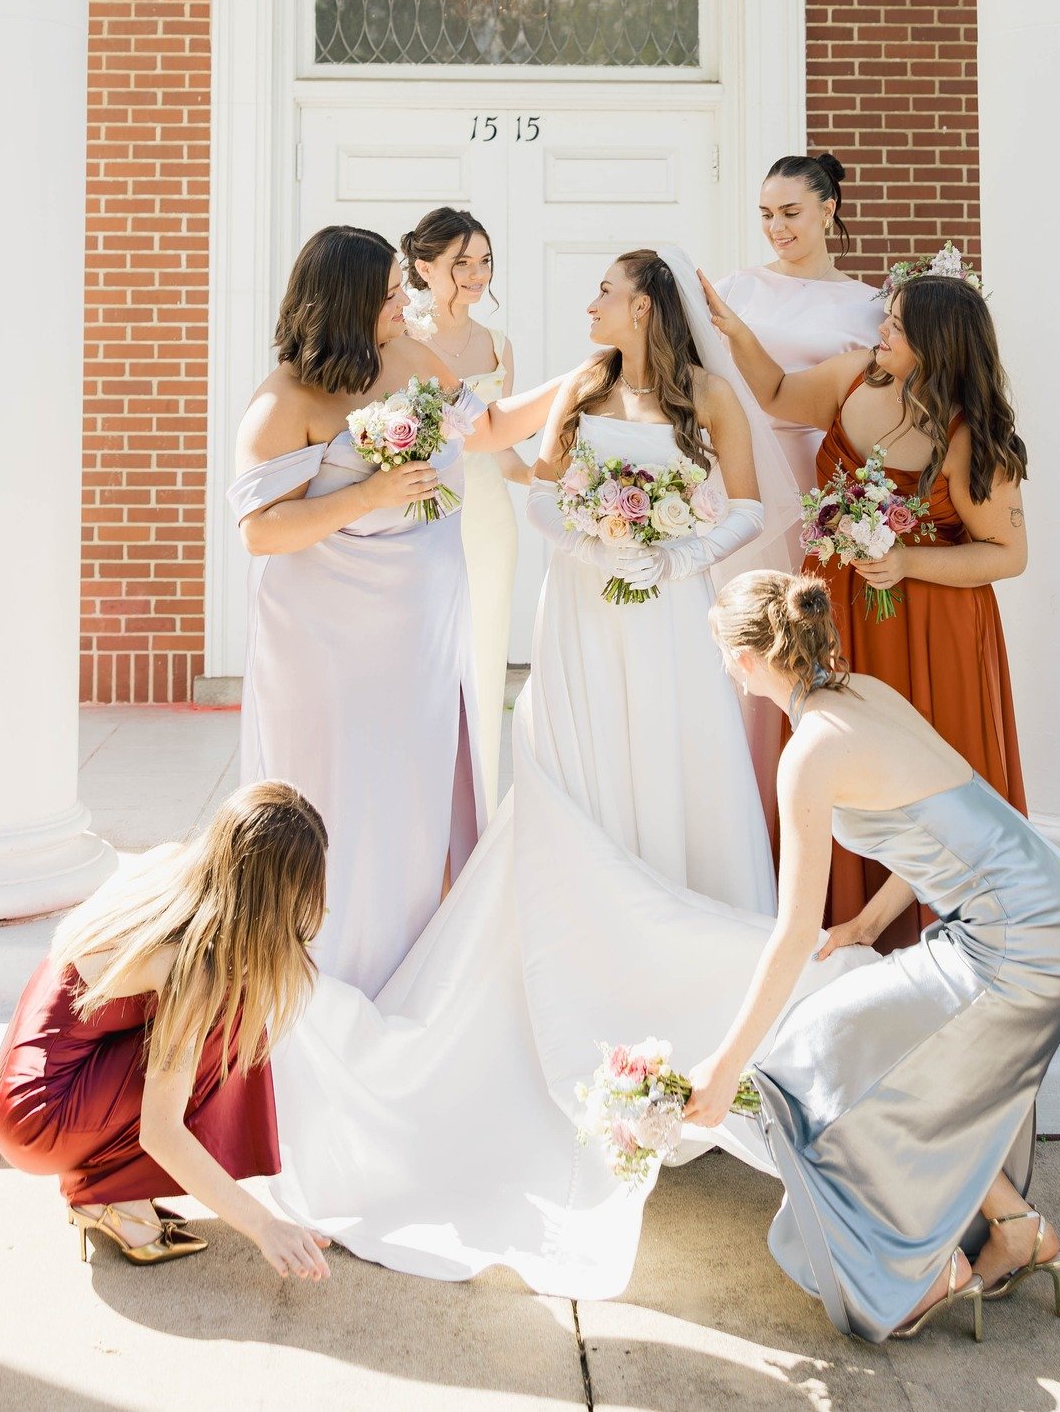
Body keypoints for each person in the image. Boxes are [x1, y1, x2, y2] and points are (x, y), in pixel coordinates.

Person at [268, 247, 867, 1297]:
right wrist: (579, 526)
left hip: (663, 617)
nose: (589, 301)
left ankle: (699, 1006)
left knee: (669, 778)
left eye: (604, 290)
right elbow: (525, 475)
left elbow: (744, 505)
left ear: (644, 304)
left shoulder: (707, 398)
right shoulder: (581, 383)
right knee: (571, 779)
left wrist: (673, 551)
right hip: (582, 615)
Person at [686, 571, 1060, 1344]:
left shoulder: (809, 751)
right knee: (887, 1065)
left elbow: (790, 933)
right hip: (1055, 908)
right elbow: (948, 815)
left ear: (744, 658)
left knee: (814, 1055)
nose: (723, 666)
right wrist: (866, 922)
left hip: (1019, 941)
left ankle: (920, 1275)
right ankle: (1018, 1229)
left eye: (720, 650)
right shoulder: (866, 695)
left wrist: (723, 1065)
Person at [229, 225, 562, 997]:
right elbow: (260, 531)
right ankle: (327, 966)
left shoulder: (411, 358)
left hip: (417, 639)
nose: (404, 304)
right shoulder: (285, 398)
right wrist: (370, 493)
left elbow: (486, 430)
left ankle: (415, 968)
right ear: (344, 302)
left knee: (410, 800)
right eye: (387, 293)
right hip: (325, 644)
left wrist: (578, 382)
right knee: (338, 798)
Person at [703, 265, 1028, 948]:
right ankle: (828, 926)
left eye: (896, 326)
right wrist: (736, 333)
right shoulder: (853, 377)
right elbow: (775, 392)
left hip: (934, 626)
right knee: (836, 755)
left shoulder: (971, 436)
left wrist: (907, 561)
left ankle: (932, 937)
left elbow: (1007, 553)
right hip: (839, 615)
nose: (879, 329)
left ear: (936, 345)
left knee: (929, 767)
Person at [0, 782, 333, 1280]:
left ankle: (109, 1186)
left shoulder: (176, 865)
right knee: (228, 1016)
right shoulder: (194, 967)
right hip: (39, 1116)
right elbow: (162, 1131)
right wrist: (264, 1226)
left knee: (230, 998)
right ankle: (106, 1196)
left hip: (29, 1073)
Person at [713, 154, 884, 854]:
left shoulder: (869, 305)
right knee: (738, 639)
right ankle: (734, 823)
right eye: (765, 214)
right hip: (737, 476)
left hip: (816, 484)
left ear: (827, 209)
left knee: (800, 638)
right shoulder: (735, 289)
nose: (776, 227)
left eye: (790, 212)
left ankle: (802, 821)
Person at [402, 207, 531, 808]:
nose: (478, 275)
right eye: (462, 264)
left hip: (487, 518)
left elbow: (499, 448)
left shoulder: (498, 346)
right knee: (417, 656)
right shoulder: (399, 337)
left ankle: (476, 803)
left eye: (485, 262)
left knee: (483, 652)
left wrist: (551, 480)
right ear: (425, 267)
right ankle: (415, 801)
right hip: (415, 512)